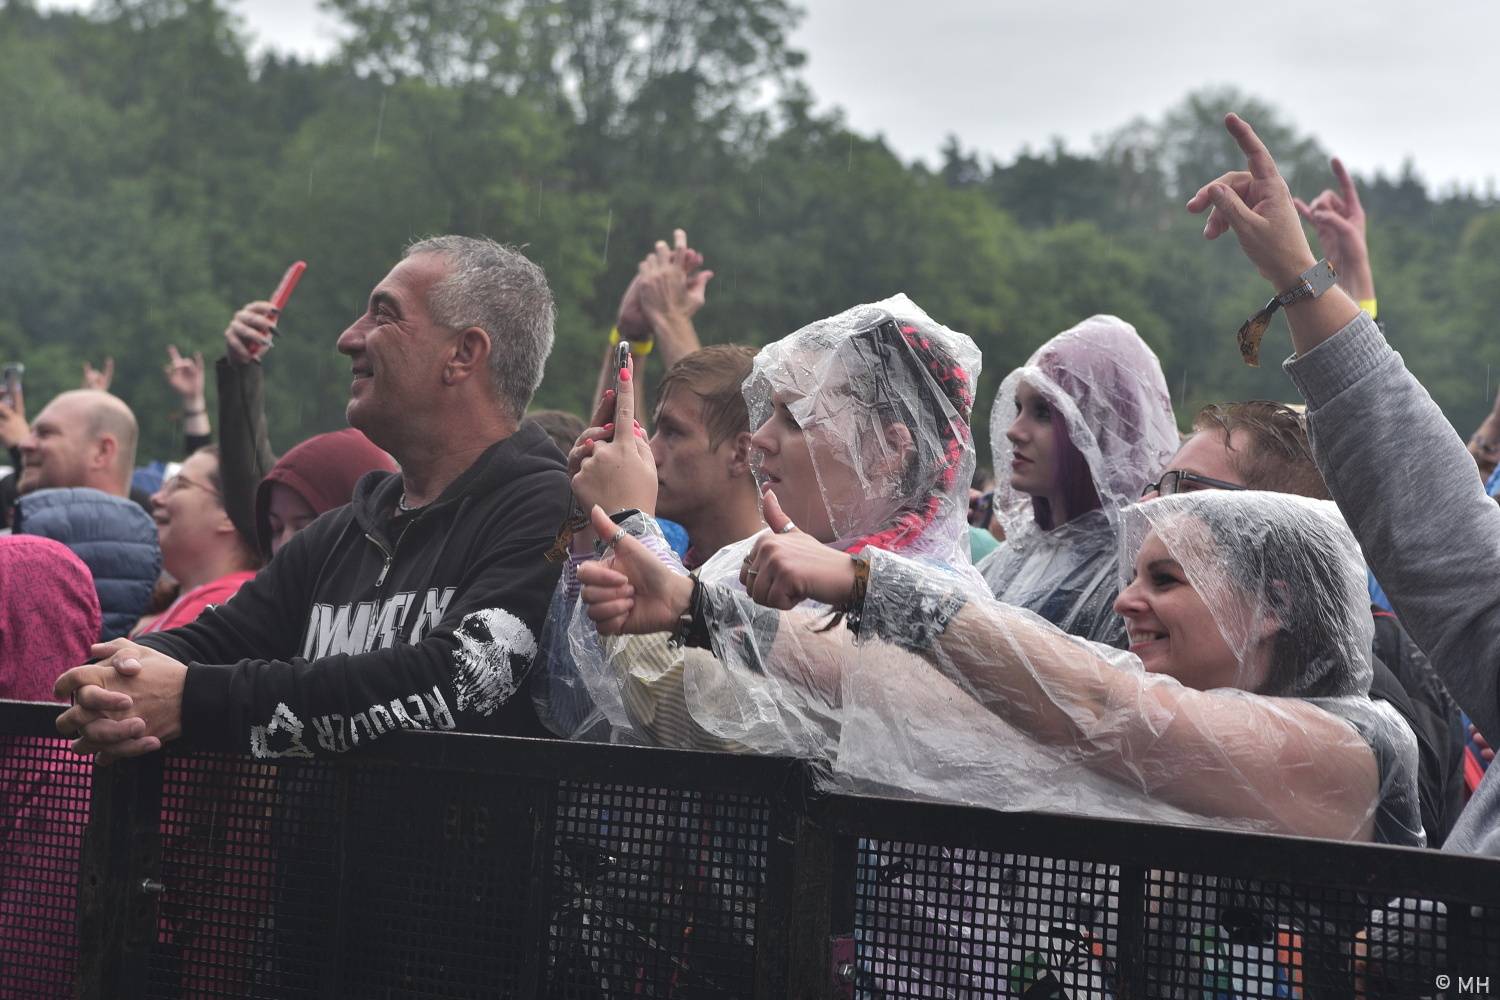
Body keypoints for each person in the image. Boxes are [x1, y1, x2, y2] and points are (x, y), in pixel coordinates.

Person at [53, 235, 572, 761]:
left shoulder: (548, 511)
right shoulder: (344, 531)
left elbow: (459, 680)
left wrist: (194, 698)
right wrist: (122, 676)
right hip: (310, 847)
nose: (349, 338)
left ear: (462, 354)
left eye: (384, 317)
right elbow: (219, 638)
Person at [1184, 112, 1500, 861]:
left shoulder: (1377, 708)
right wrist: (1314, 282)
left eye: (1192, 492)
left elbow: (1438, 532)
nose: (1164, 515)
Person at [1148, 399, 1469, 845]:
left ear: (1276, 526)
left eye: (1182, 488)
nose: (1148, 504)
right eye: (1155, 484)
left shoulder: (1369, 693)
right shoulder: (1231, 665)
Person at [976, 316, 1179, 646]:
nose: (1014, 431)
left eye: (1043, 413)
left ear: (1099, 431)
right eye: (1018, 408)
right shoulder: (1014, 556)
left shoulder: (1131, 578)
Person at [11, 389, 161, 639]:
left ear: (102, 452)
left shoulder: (169, 577)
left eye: (45, 433)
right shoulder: (158, 560)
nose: (25, 443)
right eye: (30, 432)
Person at [134, 446, 262, 635]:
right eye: (164, 486)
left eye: (179, 485)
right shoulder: (183, 600)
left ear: (229, 515)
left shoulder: (230, 600)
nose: (155, 498)